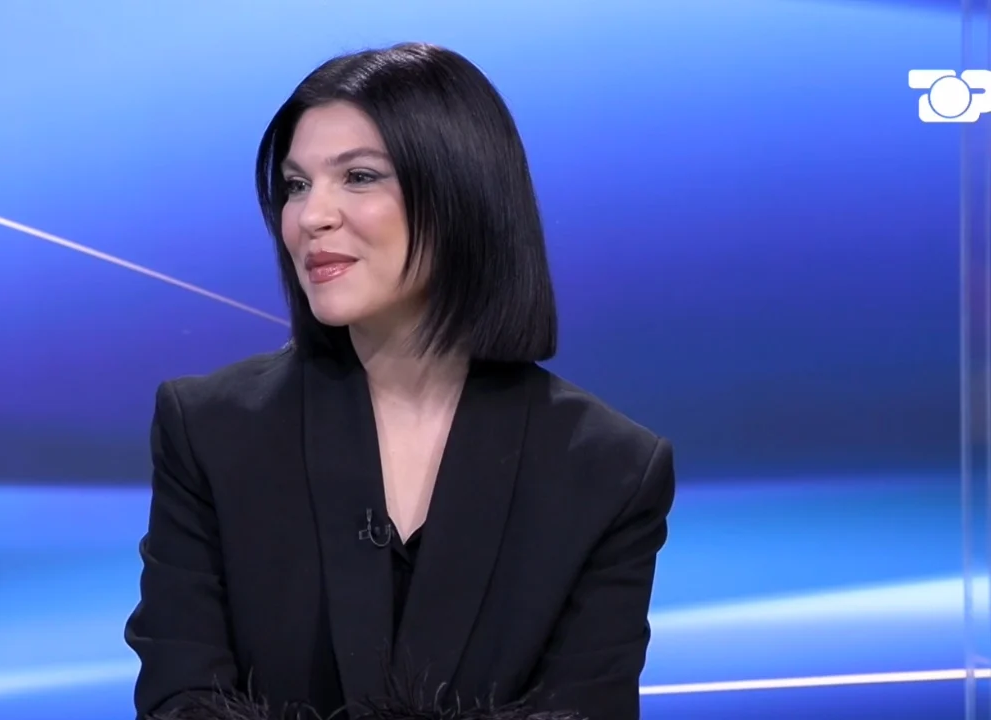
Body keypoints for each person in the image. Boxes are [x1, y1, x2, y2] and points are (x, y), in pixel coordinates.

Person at [125, 42, 675, 720]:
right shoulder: (210, 432)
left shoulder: (610, 472)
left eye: (358, 177)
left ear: (462, 193)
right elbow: (180, 698)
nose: (311, 216)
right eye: (296, 185)